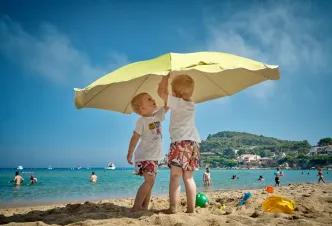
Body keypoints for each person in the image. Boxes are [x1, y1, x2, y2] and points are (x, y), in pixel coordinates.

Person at [158, 74, 201, 214]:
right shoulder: (191, 105)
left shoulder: (177, 102)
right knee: (188, 177)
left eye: (173, 92)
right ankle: (191, 209)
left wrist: (165, 77)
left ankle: (173, 208)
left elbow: (161, 92)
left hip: (180, 143)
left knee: (175, 176)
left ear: (176, 94)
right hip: (193, 144)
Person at [127, 92, 165, 212]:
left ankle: (145, 206)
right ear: (142, 108)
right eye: (149, 99)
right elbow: (135, 137)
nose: (153, 99)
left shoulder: (157, 117)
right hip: (145, 156)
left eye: (152, 98)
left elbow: (167, 106)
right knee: (149, 181)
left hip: (154, 157)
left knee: (150, 182)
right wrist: (130, 153)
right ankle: (136, 206)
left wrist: (165, 94)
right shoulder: (141, 121)